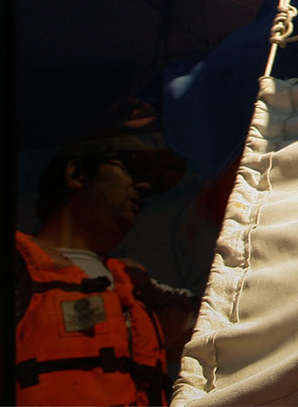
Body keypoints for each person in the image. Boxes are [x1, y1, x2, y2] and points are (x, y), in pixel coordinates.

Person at [15, 128, 196, 406]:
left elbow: (225, 320)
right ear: (77, 174)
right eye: (131, 169)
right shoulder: (6, 270)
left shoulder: (137, 287)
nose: (144, 187)